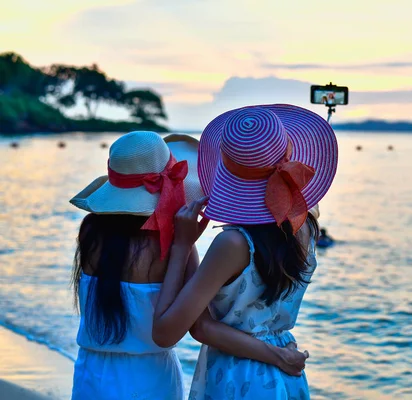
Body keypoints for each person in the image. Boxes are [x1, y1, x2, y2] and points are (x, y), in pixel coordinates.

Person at [69, 131, 307, 400]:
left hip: (89, 370)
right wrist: (183, 245)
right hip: (150, 378)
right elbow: (183, 329)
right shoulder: (172, 246)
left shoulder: (90, 233)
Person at [152, 104, 338, 399]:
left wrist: (182, 246)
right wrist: (279, 357)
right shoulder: (307, 223)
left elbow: (169, 332)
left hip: (239, 375)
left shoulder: (234, 243)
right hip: (286, 368)